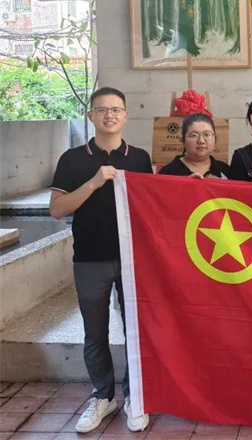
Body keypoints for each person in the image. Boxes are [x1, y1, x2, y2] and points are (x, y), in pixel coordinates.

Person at [49, 87, 152, 434]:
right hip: (90, 259)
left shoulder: (139, 158)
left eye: (116, 109)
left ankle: (134, 395)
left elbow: (152, 206)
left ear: (125, 115)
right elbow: (56, 209)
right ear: (91, 116)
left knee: (135, 329)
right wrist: (93, 183)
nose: (110, 115)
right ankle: (103, 396)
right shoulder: (72, 159)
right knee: (95, 333)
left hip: (132, 261)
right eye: (102, 109)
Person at [158, 113, 230, 179]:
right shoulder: (167, 173)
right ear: (183, 140)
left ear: (215, 139)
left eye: (207, 134)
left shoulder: (226, 171)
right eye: (194, 135)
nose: (201, 141)